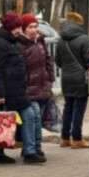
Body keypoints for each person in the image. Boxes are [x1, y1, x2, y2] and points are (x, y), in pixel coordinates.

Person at [0, 12, 44, 164]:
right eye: (17, 27)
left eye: (20, 27)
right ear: (10, 27)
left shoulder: (11, 41)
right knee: (4, 120)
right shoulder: (0, 45)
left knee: (25, 116)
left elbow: (24, 48)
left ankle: (27, 151)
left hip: (17, 89)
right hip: (7, 90)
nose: (19, 30)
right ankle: (8, 152)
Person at [56, 12, 89, 148]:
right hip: (80, 78)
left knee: (68, 107)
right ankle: (77, 139)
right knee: (79, 108)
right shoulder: (84, 39)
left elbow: (58, 61)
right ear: (79, 24)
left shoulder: (61, 40)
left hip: (66, 78)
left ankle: (65, 138)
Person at [20, 14, 56, 142]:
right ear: (24, 29)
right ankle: (32, 148)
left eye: (35, 26)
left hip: (43, 87)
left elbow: (48, 61)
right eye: (30, 27)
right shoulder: (21, 44)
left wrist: (50, 79)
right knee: (33, 119)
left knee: (39, 119)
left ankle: (36, 147)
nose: (34, 30)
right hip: (29, 89)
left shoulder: (40, 41)